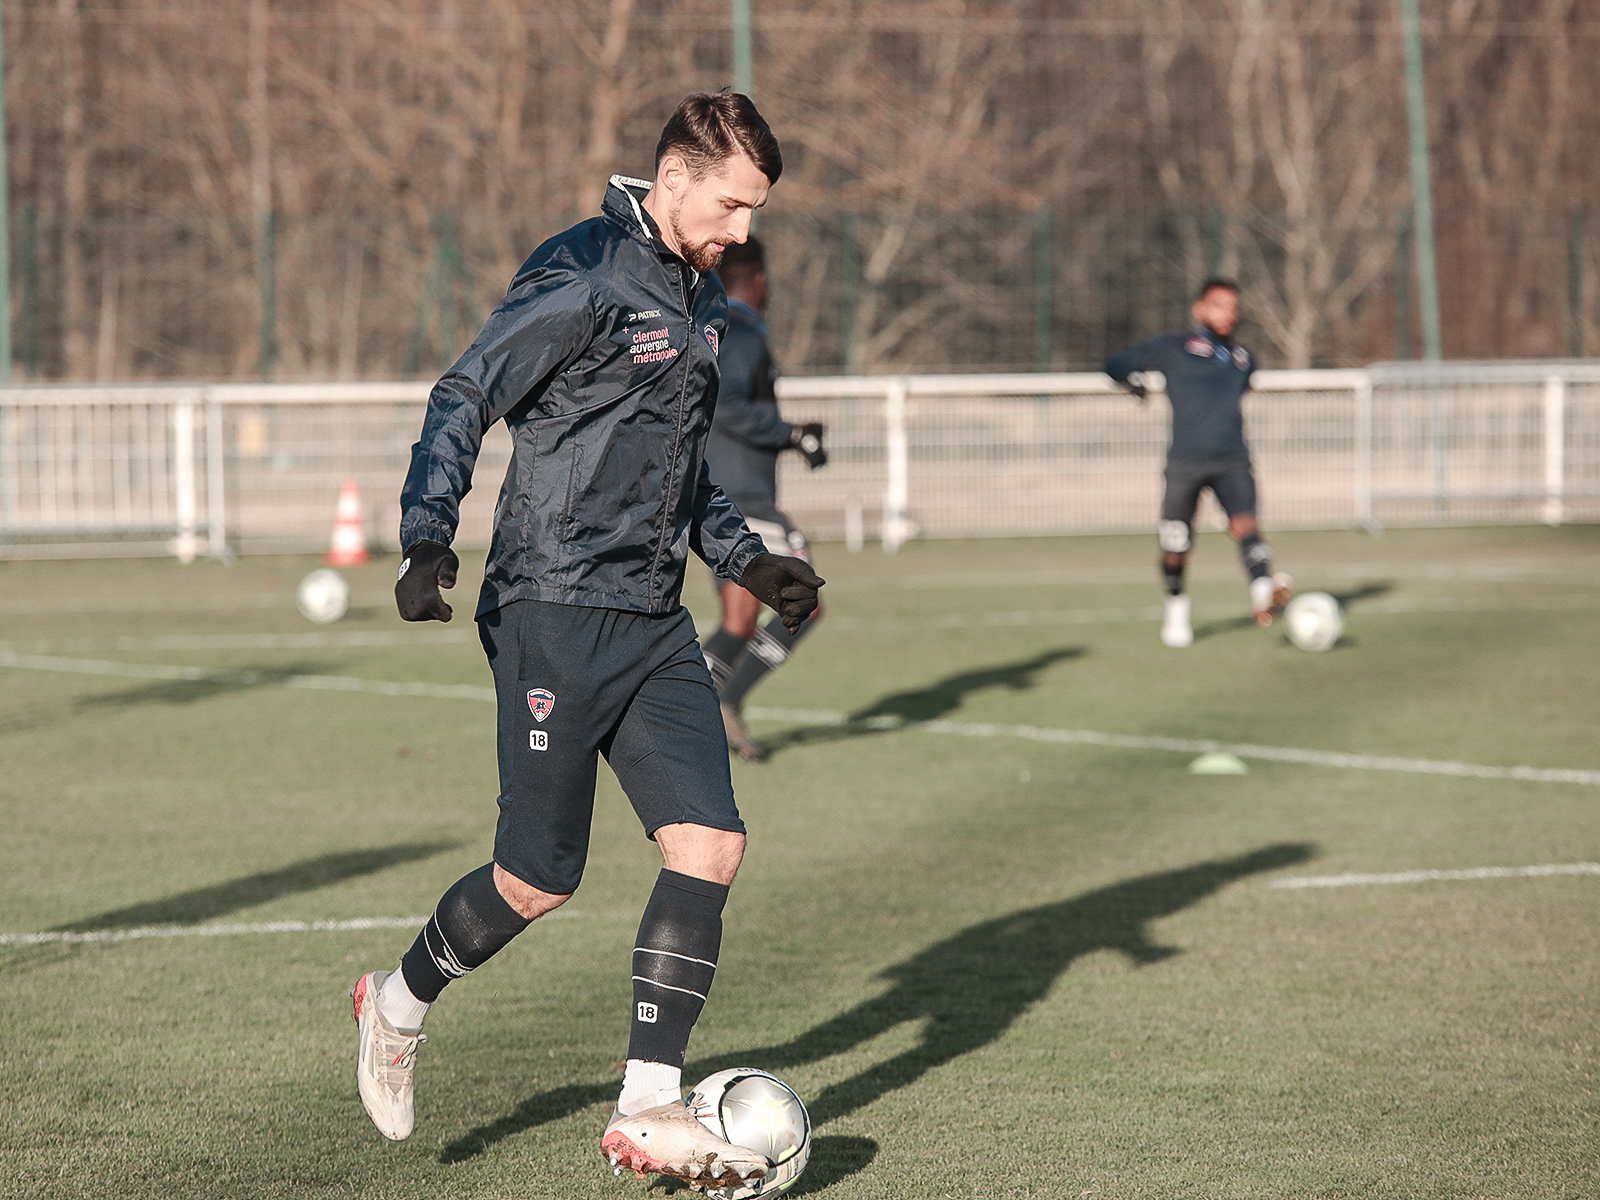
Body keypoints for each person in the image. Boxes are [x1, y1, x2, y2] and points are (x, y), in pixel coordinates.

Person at [349, 91, 825, 1194]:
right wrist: (426, 535)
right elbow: (466, 392)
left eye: (754, 211)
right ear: (674, 177)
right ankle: (398, 1004)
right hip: (551, 610)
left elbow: (681, 469)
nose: (744, 229)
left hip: (652, 620)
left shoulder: (703, 299)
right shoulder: (582, 274)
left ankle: (646, 1103)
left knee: (710, 842)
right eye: (731, 205)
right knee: (535, 879)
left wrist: (747, 561)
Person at [1104, 278, 1293, 648]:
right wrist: (1133, 379)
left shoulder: (1243, 359)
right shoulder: (1173, 348)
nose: (1228, 314)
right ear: (1200, 309)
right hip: (1185, 463)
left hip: (1232, 459)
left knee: (1246, 525)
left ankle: (1262, 588)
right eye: (1219, 305)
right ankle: (1176, 605)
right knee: (1176, 546)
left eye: (1233, 307)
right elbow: (1114, 363)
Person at [698, 236, 827, 763]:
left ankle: (688, 713)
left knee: (740, 622)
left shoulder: (713, 324)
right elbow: (727, 404)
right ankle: (723, 702)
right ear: (760, 280)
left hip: (720, 493)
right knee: (806, 601)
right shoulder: (743, 329)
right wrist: (792, 434)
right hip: (745, 497)